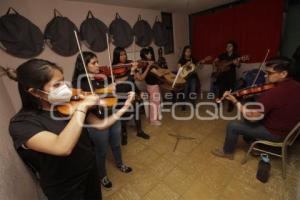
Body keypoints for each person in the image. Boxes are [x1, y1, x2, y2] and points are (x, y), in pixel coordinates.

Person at [8, 59, 134, 200]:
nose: (65, 88)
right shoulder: (22, 123)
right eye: (57, 85)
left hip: (89, 171)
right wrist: (82, 107)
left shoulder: (69, 104)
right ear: (35, 92)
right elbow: (62, 147)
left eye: (63, 81)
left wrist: (124, 107)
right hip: (65, 186)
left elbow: (101, 125)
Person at [212, 57, 300, 160]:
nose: (266, 75)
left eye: (269, 73)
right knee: (247, 119)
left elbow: (251, 116)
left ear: (283, 74)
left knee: (233, 125)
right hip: (289, 130)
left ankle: (227, 152)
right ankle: (253, 143)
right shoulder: (297, 85)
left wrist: (235, 101)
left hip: (277, 134)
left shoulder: (273, 93)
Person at [73, 51, 132, 189]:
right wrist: (106, 89)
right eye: (94, 63)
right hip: (96, 121)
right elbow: (88, 97)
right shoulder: (78, 83)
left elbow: (109, 95)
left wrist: (119, 91)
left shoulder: (99, 77)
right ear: (83, 65)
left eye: (97, 61)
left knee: (116, 145)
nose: (98, 65)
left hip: (112, 114)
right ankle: (102, 176)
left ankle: (120, 164)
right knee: (101, 151)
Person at [112, 47, 151, 144]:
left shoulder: (130, 65)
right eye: (121, 55)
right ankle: (124, 134)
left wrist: (145, 67)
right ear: (117, 56)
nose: (124, 56)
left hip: (131, 91)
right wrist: (131, 72)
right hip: (120, 93)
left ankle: (139, 131)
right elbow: (118, 81)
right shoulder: (114, 67)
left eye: (124, 54)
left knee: (137, 110)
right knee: (123, 114)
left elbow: (140, 78)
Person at [212, 41, 240, 112]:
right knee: (221, 90)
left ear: (233, 47)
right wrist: (216, 69)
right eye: (227, 46)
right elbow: (215, 61)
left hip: (231, 76)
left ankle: (230, 105)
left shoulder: (236, 56)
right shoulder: (222, 55)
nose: (228, 47)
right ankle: (218, 103)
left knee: (231, 91)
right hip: (222, 75)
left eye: (230, 46)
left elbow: (239, 66)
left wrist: (236, 63)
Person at [140, 47, 162, 125]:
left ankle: (154, 117)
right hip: (153, 86)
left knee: (156, 102)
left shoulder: (148, 64)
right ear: (144, 55)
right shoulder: (147, 65)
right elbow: (159, 73)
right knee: (154, 103)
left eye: (149, 53)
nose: (149, 54)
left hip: (152, 86)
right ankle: (153, 120)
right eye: (147, 54)